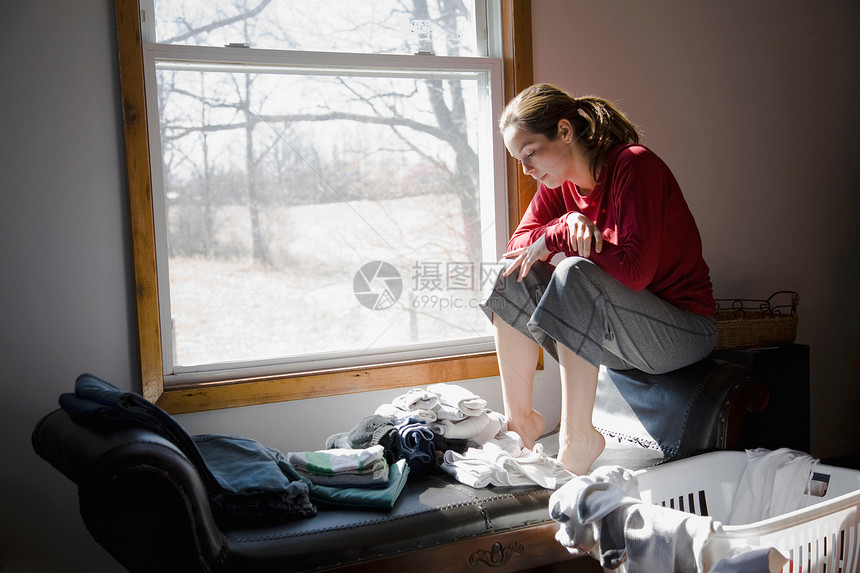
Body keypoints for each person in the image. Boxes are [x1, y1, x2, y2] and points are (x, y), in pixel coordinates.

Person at [480, 83, 716, 475]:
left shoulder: (634, 166)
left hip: (682, 332)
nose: (527, 169)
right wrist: (564, 223)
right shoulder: (559, 186)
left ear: (565, 132)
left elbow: (637, 273)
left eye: (531, 153)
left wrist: (556, 237)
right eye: (519, 160)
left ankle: (578, 438)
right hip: (621, 336)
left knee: (574, 272)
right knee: (509, 275)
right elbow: (517, 249)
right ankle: (521, 424)